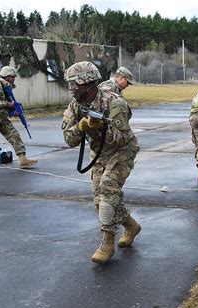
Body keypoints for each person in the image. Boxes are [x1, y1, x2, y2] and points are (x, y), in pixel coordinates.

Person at [61, 61, 141, 264]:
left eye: (74, 84)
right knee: (100, 200)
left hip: (122, 151)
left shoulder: (114, 103)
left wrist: (98, 128)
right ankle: (131, 225)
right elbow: (69, 139)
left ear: (87, 84)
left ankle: (107, 242)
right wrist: (82, 126)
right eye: (70, 84)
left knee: (108, 188)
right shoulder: (76, 104)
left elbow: (121, 138)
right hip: (100, 153)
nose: (71, 88)